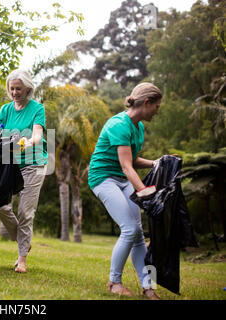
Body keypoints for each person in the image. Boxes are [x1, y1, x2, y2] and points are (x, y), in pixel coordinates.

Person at [88, 82, 162, 300]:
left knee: (138, 233)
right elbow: (126, 166)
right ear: (147, 103)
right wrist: (144, 190)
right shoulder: (119, 124)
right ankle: (114, 282)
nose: (157, 111)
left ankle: (148, 287)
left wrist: (154, 163)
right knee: (129, 229)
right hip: (103, 178)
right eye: (157, 106)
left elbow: (131, 159)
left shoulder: (138, 127)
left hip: (121, 178)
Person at [0, 69, 47, 273]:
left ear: (27, 89)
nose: (14, 92)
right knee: (0, 205)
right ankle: (24, 239)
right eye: (12, 88)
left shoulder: (37, 109)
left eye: (18, 89)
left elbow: (38, 135)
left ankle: (22, 258)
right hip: (10, 165)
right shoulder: (5, 110)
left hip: (34, 164)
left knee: (25, 212)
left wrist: (29, 142)